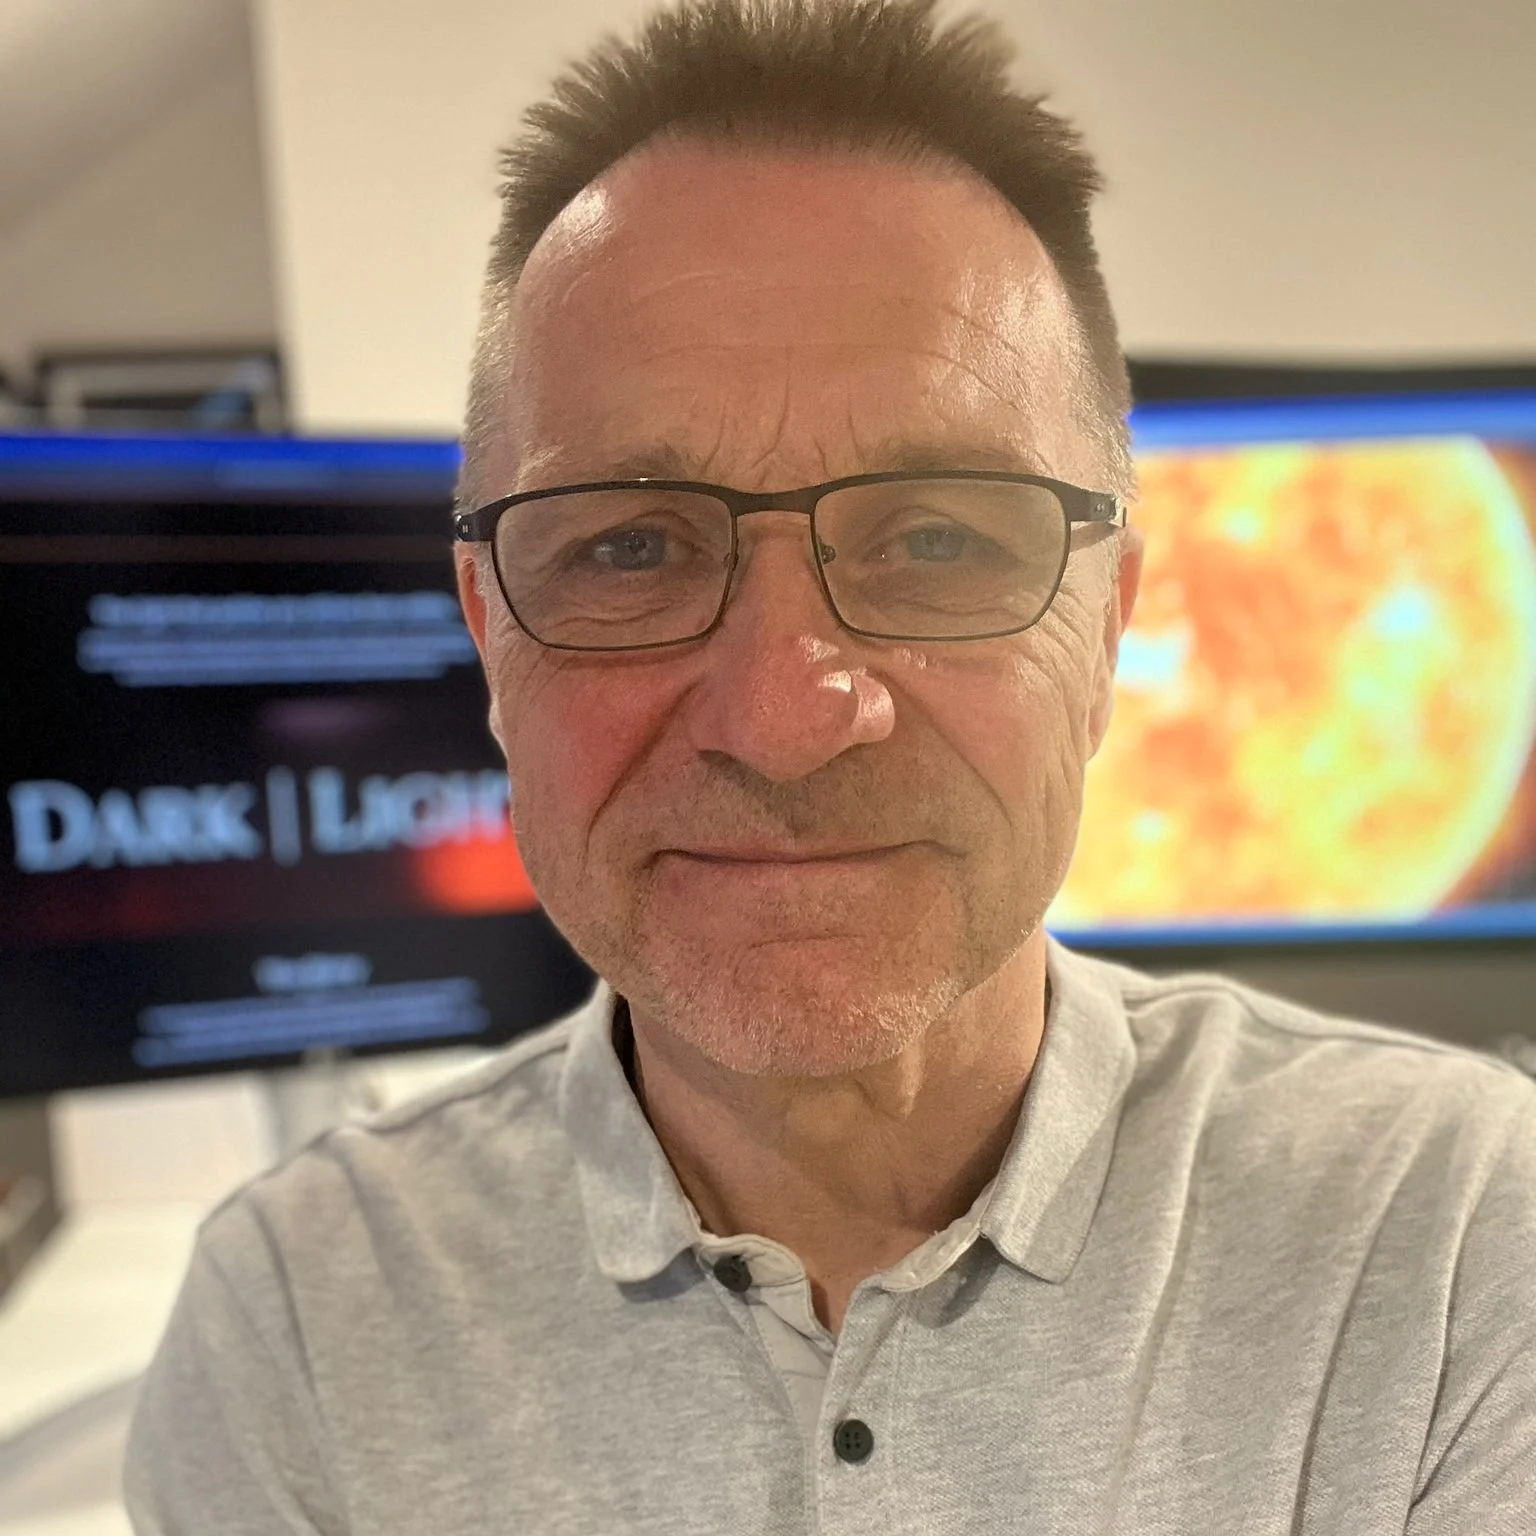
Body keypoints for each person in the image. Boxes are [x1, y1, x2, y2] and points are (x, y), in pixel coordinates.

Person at [125, 0, 1536, 1530]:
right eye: (631, 546)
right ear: (487, 632)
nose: (784, 718)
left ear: (1108, 629)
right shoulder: (299, 1335)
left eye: (938, 539)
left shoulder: (1457, 1237)